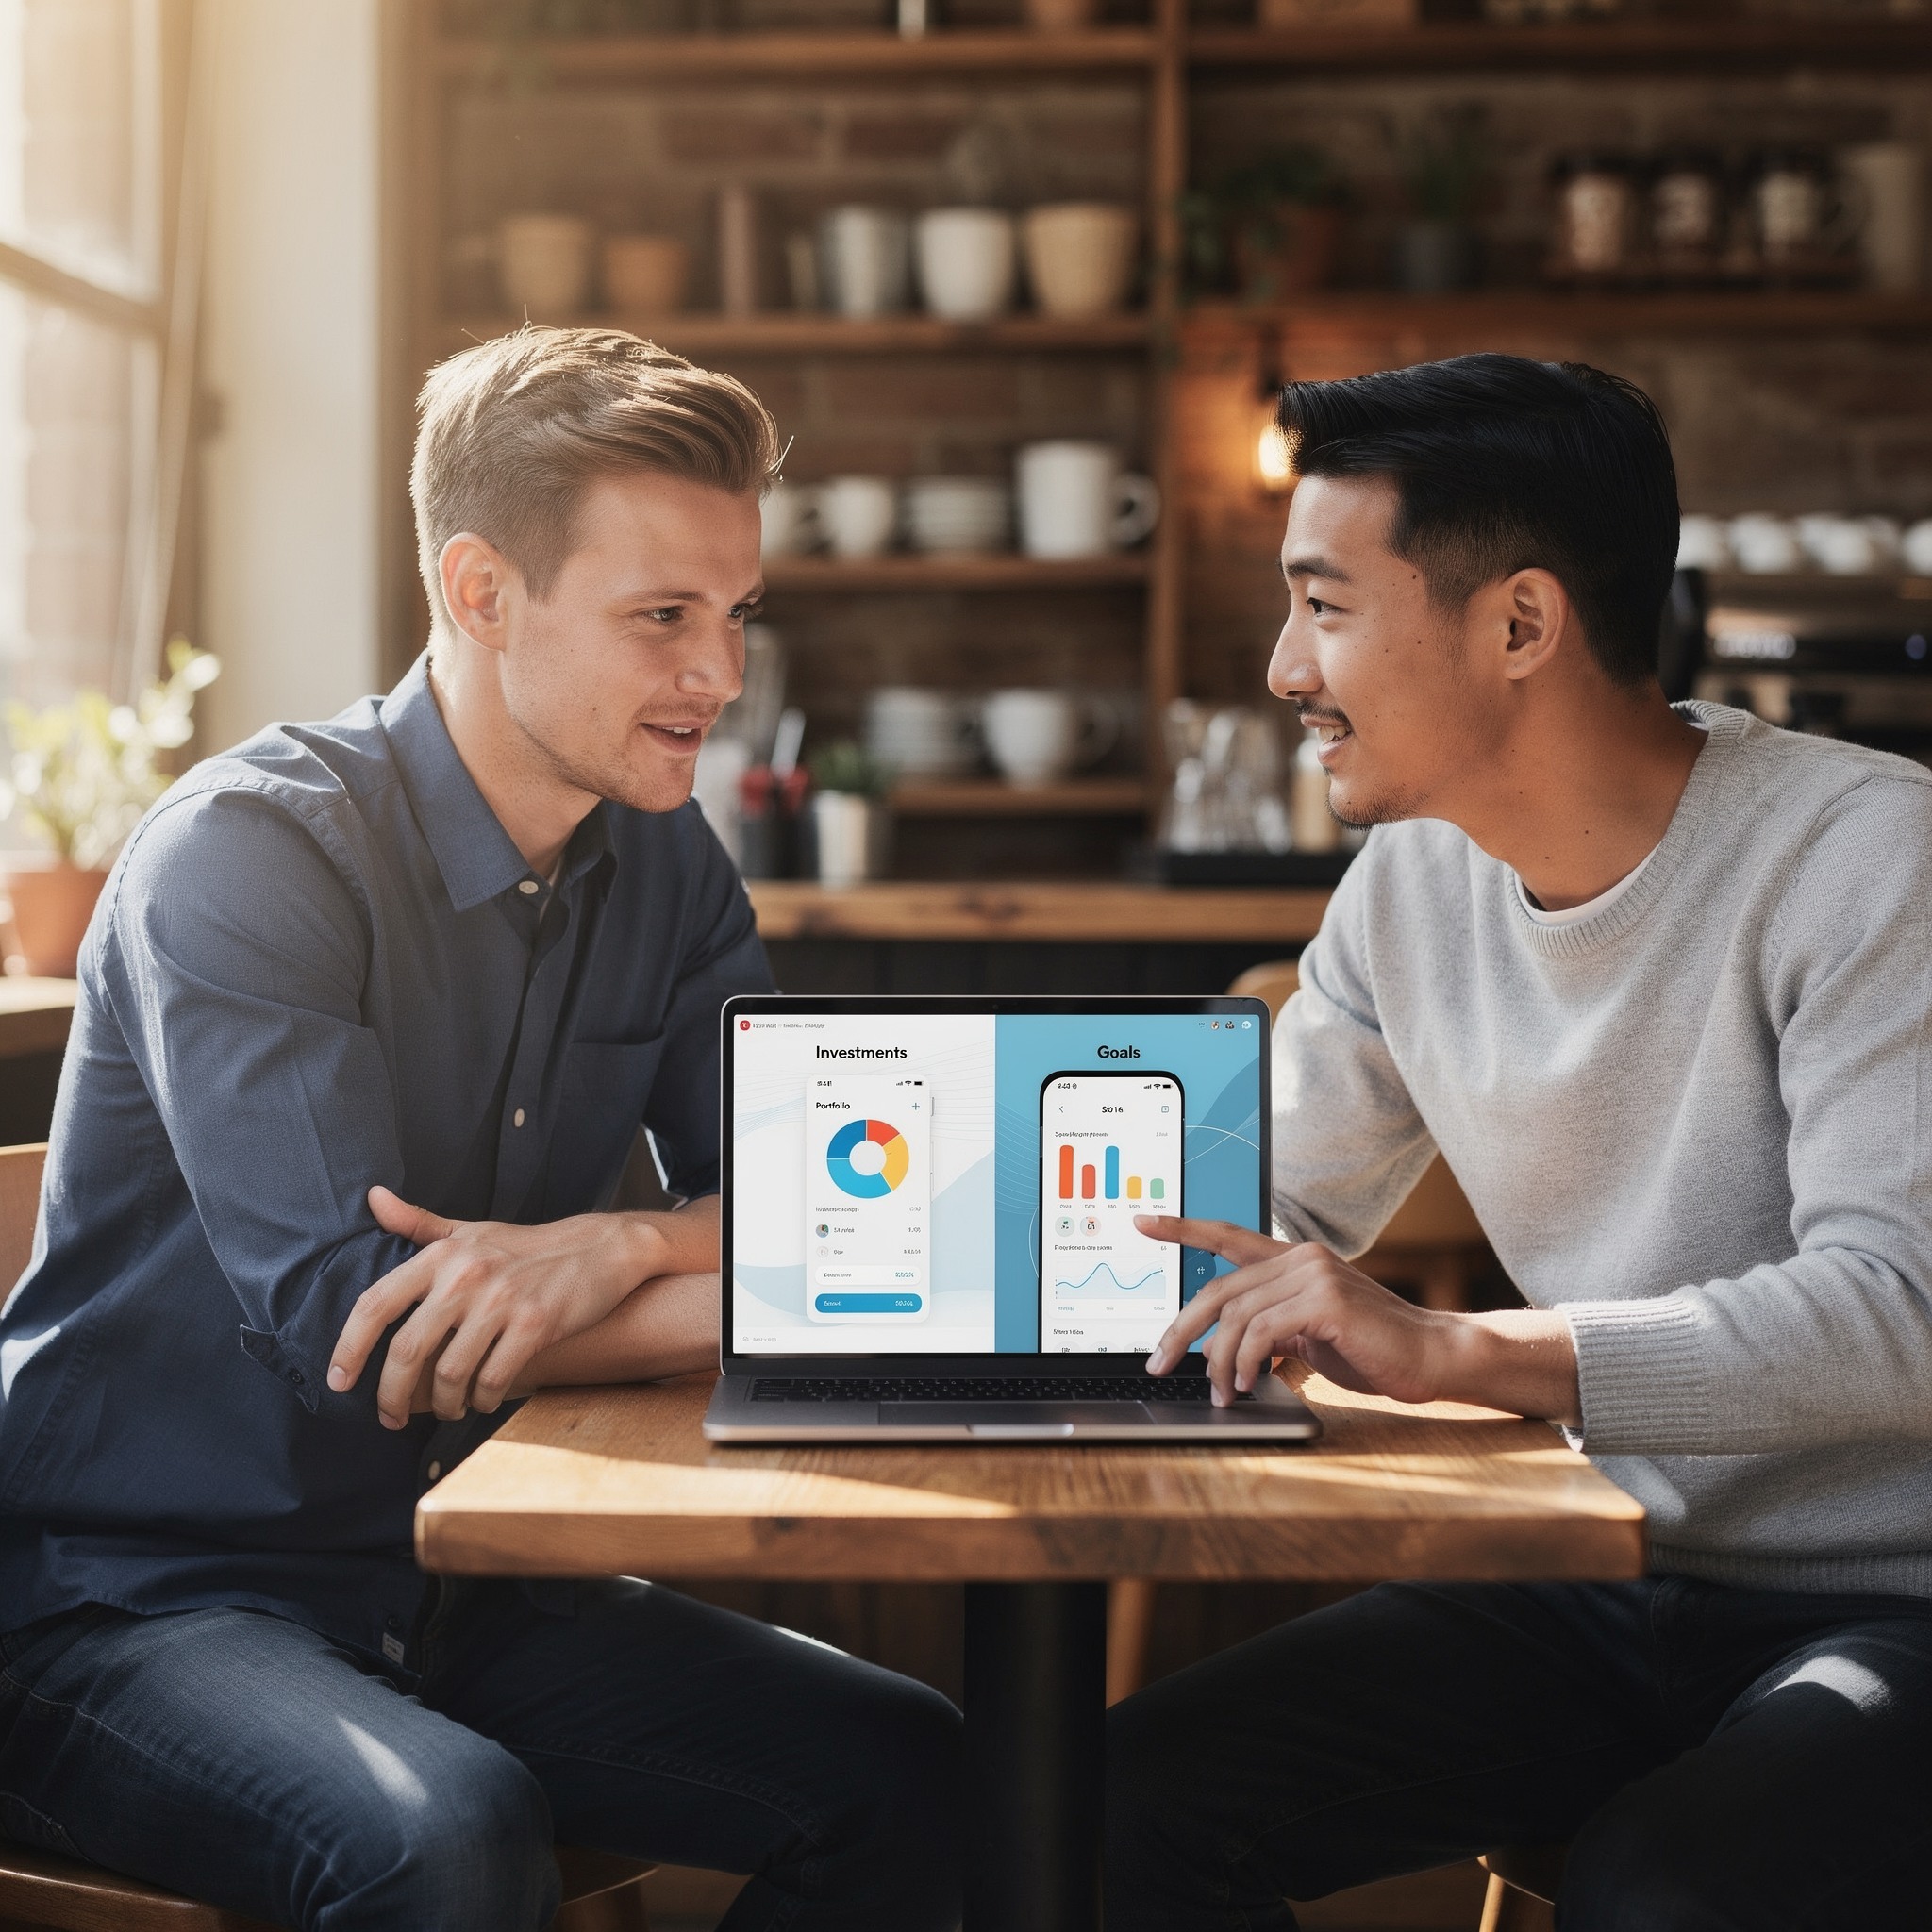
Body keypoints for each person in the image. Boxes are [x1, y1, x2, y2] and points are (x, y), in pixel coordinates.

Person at [0, 326, 959, 1932]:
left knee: (923, 1768)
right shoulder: (249, 857)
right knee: (445, 1837)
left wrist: (623, 1242)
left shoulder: (664, 863)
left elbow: (824, 1193)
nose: (719, 677)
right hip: (134, 1604)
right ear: (481, 592)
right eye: (663, 617)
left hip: (460, 1588)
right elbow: (363, 1329)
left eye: (734, 617)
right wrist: (767, 1294)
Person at [1107, 354, 1932, 1931]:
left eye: (1325, 605)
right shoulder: (1412, 890)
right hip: (1609, 1582)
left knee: (1674, 1889)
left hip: (1895, 1602)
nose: (1284, 668)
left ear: (1521, 627)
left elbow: (1904, 1313)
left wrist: (1455, 1352)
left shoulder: (1868, 857)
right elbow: (1232, 1205)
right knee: (1110, 1812)